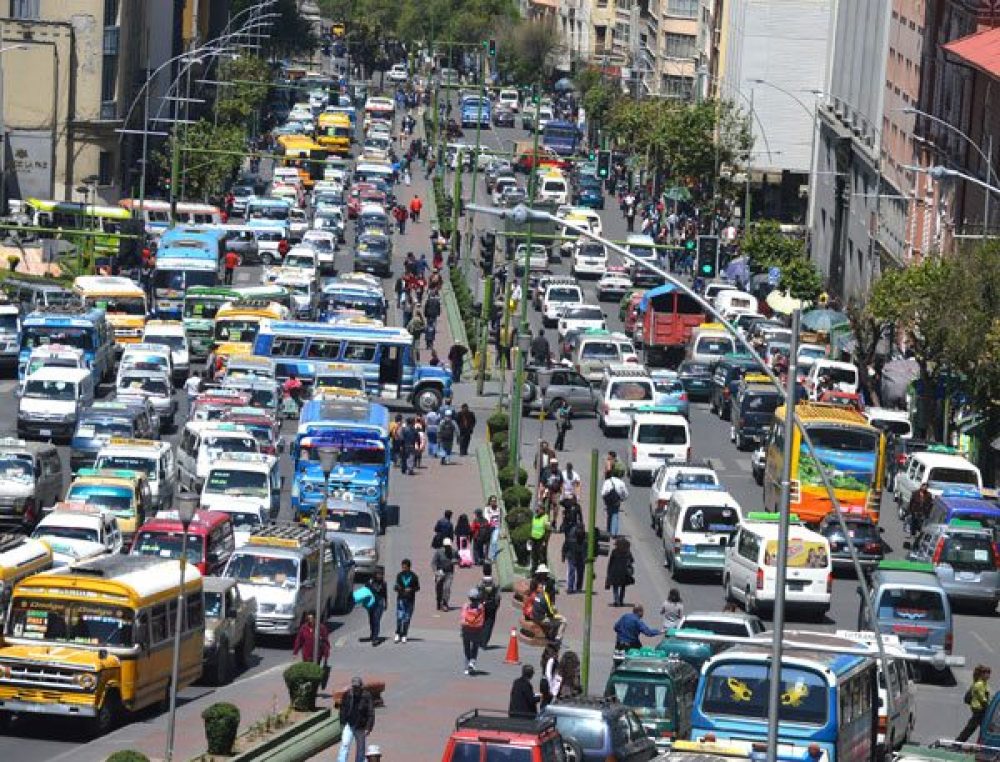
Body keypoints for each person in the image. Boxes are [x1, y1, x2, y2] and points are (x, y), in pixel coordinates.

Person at [338, 676, 375, 762]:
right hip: (349, 724)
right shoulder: (347, 694)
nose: (355, 689)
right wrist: (342, 722)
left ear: (361, 686)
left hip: (361, 726)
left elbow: (371, 713)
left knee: (360, 747)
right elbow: (342, 709)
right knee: (345, 744)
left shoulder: (366, 696)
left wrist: (368, 727)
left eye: (357, 687)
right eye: (354, 687)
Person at [957, 664, 992, 742]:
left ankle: (961, 741)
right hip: (979, 709)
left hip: (981, 708)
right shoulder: (979, 684)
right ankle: (959, 741)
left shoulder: (984, 683)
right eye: (986, 673)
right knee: (973, 727)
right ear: (981, 674)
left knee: (983, 727)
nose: (988, 675)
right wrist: (988, 707)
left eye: (989, 673)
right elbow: (982, 697)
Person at [393, 558, 420, 643]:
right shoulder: (399, 575)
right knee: (400, 617)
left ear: (409, 567)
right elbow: (395, 586)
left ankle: (404, 634)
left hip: (410, 600)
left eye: (405, 567)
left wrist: (411, 589)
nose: (403, 569)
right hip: (401, 598)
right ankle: (398, 633)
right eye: (402, 567)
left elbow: (418, 587)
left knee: (407, 618)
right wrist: (398, 588)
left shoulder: (414, 576)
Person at [460, 588, 486, 675]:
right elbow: (482, 619)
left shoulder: (465, 606)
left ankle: (466, 667)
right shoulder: (481, 607)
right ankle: (472, 661)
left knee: (466, 648)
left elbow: (462, 618)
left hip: (466, 629)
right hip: (477, 629)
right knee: (475, 647)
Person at [477, 563, 501, 647]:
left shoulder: (480, 582)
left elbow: (478, 594)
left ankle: (479, 639)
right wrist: (497, 604)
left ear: (483, 571)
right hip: (492, 605)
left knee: (481, 622)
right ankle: (484, 641)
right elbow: (498, 596)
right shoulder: (495, 582)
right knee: (489, 623)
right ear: (491, 571)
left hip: (482, 605)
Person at [606, 537, 635, 607]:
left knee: (615, 587)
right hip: (624, 572)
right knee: (623, 587)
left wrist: (608, 572)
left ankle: (616, 600)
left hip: (615, 571)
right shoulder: (628, 552)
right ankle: (621, 600)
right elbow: (632, 560)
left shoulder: (614, 551)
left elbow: (611, 562)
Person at [562, 523, 588, 594]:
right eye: (579, 530)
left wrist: (586, 557)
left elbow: (588, 548)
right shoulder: (570, 536)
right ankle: (570, 588)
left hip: (581, 557)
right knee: (572, 572)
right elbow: (565, 546)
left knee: (580, 573)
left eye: (581, 530)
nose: (580, 532)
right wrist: (563, 556)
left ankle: (578, 587)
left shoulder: (586, 537)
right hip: (572, 556)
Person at [601, 471, 629, 537]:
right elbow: (626, 494)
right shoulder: (621, 483)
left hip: (608, 501)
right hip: (616, 501)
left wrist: (606, 499)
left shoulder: (607, 481)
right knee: (615, 515)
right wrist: (622, 499)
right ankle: (614, 533)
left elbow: (603, 493)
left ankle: (608, 531)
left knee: (609, 515)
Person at [364, 568, 388, 646]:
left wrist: (386, 603)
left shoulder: (383, 583)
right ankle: (372, 633)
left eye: (381, 574)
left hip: (379, 603)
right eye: (378, 574)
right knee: (371, 620)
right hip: (371, 603)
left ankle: (375, 638)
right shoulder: (369, 582)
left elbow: (385, 594)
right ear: (375, 575)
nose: (380, 576)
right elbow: (365, 592)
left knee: (376, 620)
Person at [432, 538, 456, 611]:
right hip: (440, 572)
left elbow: (459, 559)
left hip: (449, 573)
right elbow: (433, 563)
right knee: (439, 588)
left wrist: (456, 561)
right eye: (446, 546)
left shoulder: (453, 552)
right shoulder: (438, 552)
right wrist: (435, 571)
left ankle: (445, 603)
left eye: (448, 546)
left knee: (447, 588)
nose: (447, 547)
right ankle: (438, 601)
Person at [529, 504, 551, 574]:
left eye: (539, 509)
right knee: (534, 557)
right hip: (534, 539)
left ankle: (543, 573)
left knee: (542, 557)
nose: (537, 510)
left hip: (541, 540)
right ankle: (533, 573)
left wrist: (545, 541)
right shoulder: (535, 517)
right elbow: (533, 528)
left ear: (543, 510)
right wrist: (530, 538)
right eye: (537, 509)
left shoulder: (545, 518)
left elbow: (548, 530)